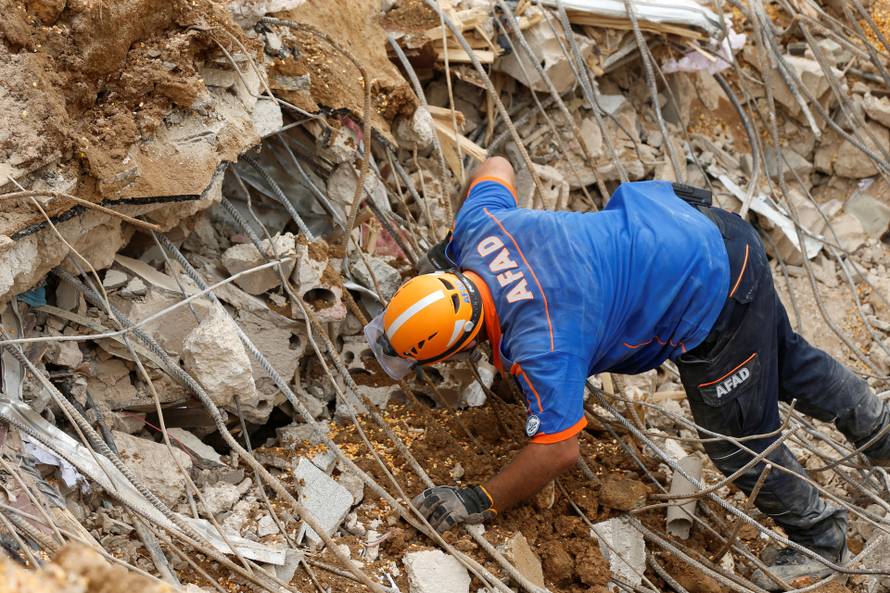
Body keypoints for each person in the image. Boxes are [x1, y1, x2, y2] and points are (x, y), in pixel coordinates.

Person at [363, 156, 890, 588]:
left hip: (709, 287)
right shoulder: (478, 227)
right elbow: (495, 164)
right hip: (699, 226)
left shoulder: (542, 344)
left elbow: (558, 449)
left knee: (737, 436)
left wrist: (481, 498)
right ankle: (880, 431)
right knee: (786, 361)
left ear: (459, 345)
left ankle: (820, 541)